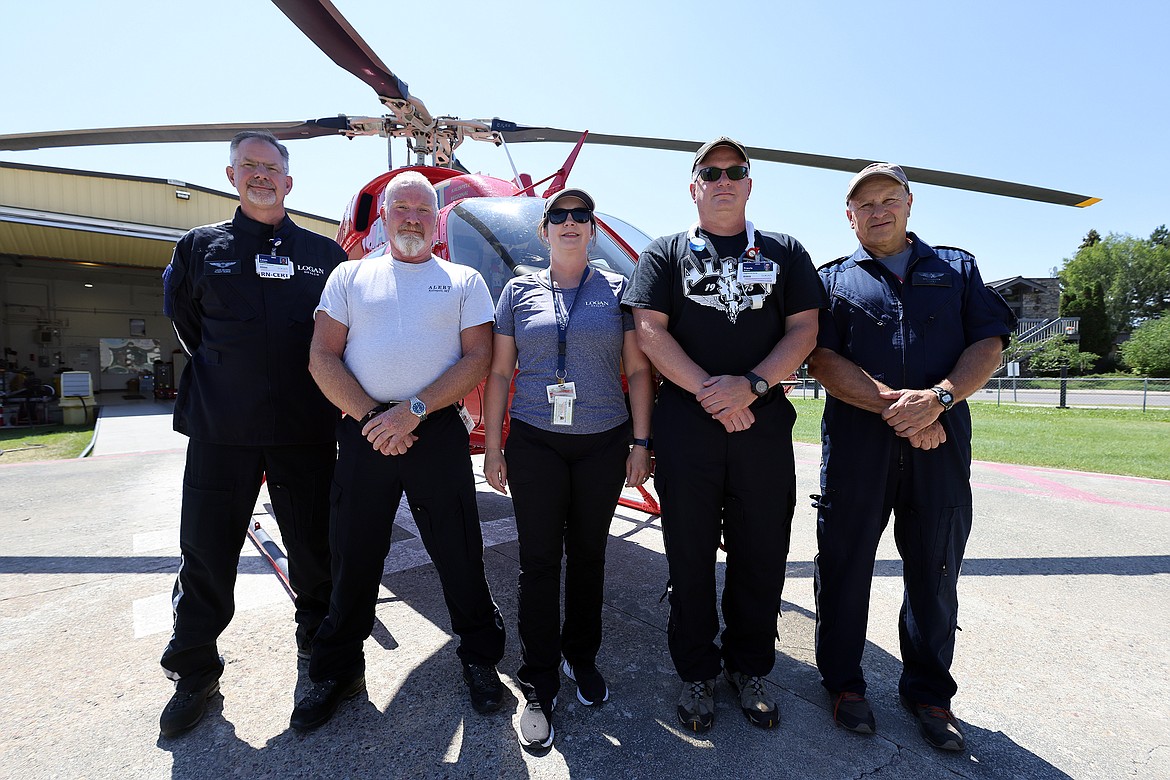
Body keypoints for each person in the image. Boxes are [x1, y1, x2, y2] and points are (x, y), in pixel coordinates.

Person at [807, 163, 1015, 751]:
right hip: (858, 445)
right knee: (844, 568)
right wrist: (899, 410)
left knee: (936, 570)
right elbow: (820, 359)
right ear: (849, 216)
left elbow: (989, 341)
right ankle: (844, 684)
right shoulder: (832, 280)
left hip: (941, 443)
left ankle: (929, 694)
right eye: (864, 204)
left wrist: (940, 401)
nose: (878, 211)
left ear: (909, 202)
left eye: (888, 199)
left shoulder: (957, 267)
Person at [291, 171, 506, 731]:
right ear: (384, 216)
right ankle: (338, 669)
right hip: (365, 430)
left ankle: (481, 658)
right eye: (402, 208)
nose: (413, 217)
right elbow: (322, 357)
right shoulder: (348, 276)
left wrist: (410, 411)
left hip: (434, 430)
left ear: (437, 220)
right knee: (353, 554)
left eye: (424, 209)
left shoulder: (463, 280)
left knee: (460, 551)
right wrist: (371, 417)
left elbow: (477, 359)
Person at [622, 137, 822, 732]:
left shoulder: (785, 251)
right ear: (694, 186)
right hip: (687, 427)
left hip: (762, 425)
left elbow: (805, 329)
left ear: (749, 184)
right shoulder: (664, 253)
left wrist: (753, 386)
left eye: (736, 172)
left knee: (762, 553)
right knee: (687, 555)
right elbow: (650, 332)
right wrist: (715, 392)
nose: (723, 180)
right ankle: (696, 673)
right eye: (711, 172)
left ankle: (750, 666)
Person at [158, 130, 346, 738]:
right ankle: (194, 670)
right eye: (250, 167)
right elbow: (184, 318)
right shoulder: (199, 247)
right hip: (222, 427)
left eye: (272, 168)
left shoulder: (326, 256)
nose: (262, 176)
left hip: (304, 427)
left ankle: (320, 651)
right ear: (232, 176)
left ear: (289, 183)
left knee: (315, 548)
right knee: (207, 551)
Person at [482, 189, 654, 749]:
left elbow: (637, 370)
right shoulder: (517, 290)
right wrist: (493, 446)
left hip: (603, 444)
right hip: (536, 443)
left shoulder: (619, 291)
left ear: (593, 227)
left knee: (588, 558)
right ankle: (539, 680)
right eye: (559, 216)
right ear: (544, 230)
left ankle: (582, 657)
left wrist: (640, 441)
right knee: (538, 563)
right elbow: (502, 372)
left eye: (582, 216)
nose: (571, 223)